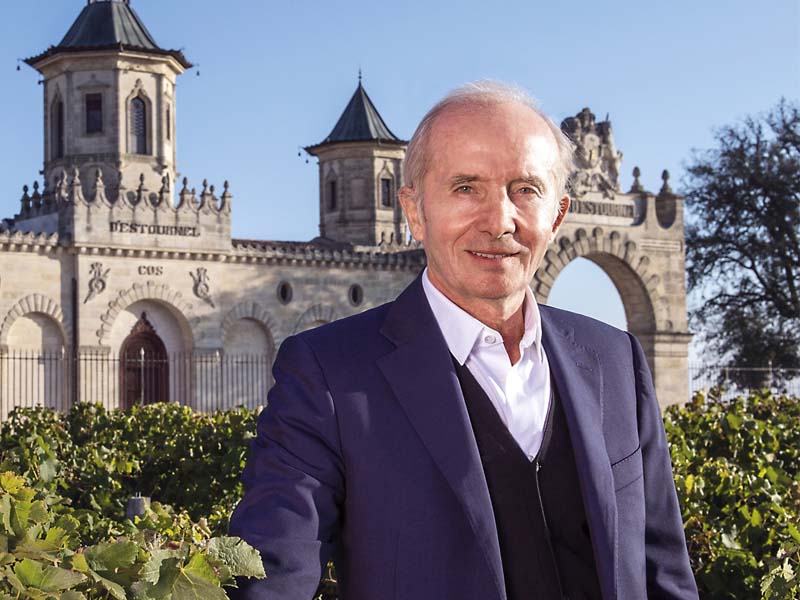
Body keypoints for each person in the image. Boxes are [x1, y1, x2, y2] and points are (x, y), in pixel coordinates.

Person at [229, 81, 698, 600]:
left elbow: (663, 573)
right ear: (414, 211)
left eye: (526, 189)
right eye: (466, 188)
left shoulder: (616, 360)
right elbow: (271, 574)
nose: (499, 221)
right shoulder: (328, 374)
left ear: (558, 215)